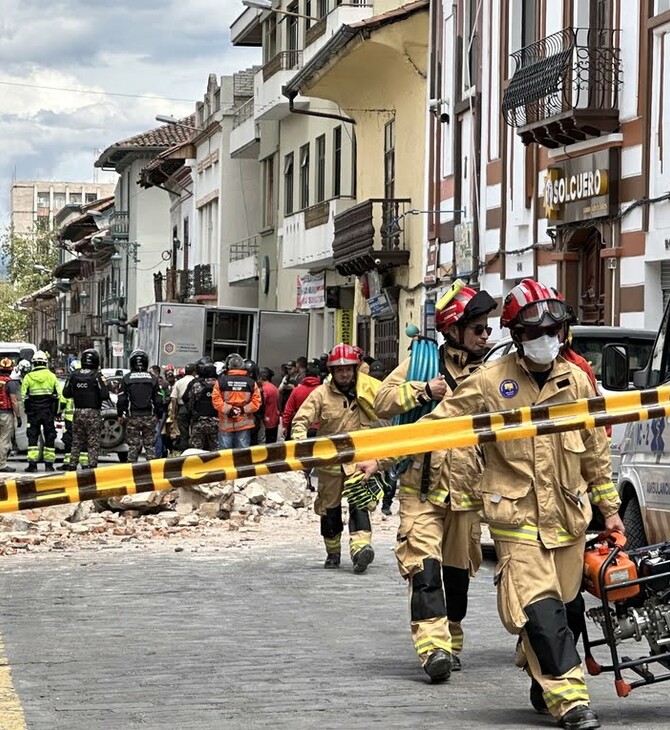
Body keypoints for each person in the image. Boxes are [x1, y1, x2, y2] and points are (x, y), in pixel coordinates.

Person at [416, 279, 624, 729]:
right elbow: (440, 422)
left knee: (567, 610)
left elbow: (594, 450)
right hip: (517, 519)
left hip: (569, 517)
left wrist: (610, 510)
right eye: (535, 333)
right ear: (517, 336)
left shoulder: (577, 380)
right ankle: (572, 700)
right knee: (539, 607)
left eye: (555, 331)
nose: (546, 340)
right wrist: (375, 447)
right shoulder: (491, 382)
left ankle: (541, 676)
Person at [373, 285, 497, 681]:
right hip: (421, 488)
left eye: (487, 328)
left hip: (468, 492)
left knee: (457, 574)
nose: (485, 336)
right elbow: (381, 400)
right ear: (454, 330)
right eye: (477, 328)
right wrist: (423, 390)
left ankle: (452, 639)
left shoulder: (495, 373)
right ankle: (434, 650)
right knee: (424, 568)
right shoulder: (422, 364)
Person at [291, 343, 384, 573]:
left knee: (360, 504)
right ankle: (333, 553)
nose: (344, 374)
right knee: (329, 511)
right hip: (330, 465)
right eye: (339, 370)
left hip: (359, 462)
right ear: (332, 372)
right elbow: (300, 420)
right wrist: (301, 440)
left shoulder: (367, 392)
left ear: (355, 370)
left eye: (348, 369)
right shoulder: (320, 394)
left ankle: (361, 549)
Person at [61, 349, 109, 471]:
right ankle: (92, 465)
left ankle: (72, 464)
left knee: (76, 440)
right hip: (93, 412)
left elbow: (66, 393)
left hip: (78, 411)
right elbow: (105, 394)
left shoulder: (74, 375)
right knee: (92, 441)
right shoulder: (97, 376)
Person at [117, 350, 164, 462]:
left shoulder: (127, 378)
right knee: (150, 445)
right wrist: (159, 414)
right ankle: (151, 469)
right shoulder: (152, 378)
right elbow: (158, 399)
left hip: (132, 416)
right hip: (149, 416)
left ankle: (132, 470)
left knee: (133, 446)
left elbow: (122, 399)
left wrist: (120, 414)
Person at [212, 353, 262, 450]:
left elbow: (216, 400)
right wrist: (242, 410)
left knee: (225, 454)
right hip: (244, 423)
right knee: (242, 455)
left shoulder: (221, 381)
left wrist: (230, 410)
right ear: (243, 367)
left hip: (225, 423)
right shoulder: (251, 382)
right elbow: (257, 402)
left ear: (229, 366)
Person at [21, 350, 60, 472]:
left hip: (33, 412)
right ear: (45, 363)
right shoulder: (52, 376)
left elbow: (23, 396)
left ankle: (32, 464)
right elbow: (58, 395)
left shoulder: (28, 377)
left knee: (33, 437)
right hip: (48, 412)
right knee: (50, 436)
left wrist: (27, 409)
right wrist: (57, 412)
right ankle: (49, 465)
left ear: (34, 363)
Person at [184, 357, 220, 451]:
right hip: (216, 422)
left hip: (199, 421)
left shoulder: (198, 385)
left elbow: (190, 401)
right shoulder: (220, 385)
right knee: (216, 450)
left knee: (195, 450)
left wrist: (193, 414)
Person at [58, 360, 88, 471]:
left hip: (70, 418)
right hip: (83, 415)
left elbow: (63, 399)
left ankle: (68, 462)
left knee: (70, 440)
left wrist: (58, 412)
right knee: (84, 439)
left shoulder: (69, 382)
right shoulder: (86, 382)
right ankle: (85, 463)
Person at [281, 362, 321, 440]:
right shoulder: (323, 390)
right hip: (319, 429)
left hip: (300, 429)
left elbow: (288, 410)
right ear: (318, 376)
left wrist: (284, 426)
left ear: (305, 376)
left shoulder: (297, 390)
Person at [169, 362, 196, 452]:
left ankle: (184, 451)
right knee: (194, 431)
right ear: (194, 372)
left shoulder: (179, 382)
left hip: (182, 408)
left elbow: (173, 399)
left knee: (183, 432)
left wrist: (173, 412)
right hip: (194, 409)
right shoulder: (197, 382)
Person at [0, 358, 20, 473]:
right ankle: (2, 464)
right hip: (5, 414)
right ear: (11, 369)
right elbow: (13, 401)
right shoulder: (10, 382)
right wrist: (18, 416)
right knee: (4, 439)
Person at [258, 368, 280, 444]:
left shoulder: (264, 389)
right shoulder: (274, 387)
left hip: (266, 420)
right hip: (274, 419)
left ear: (261, 377)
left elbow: (260, 404)